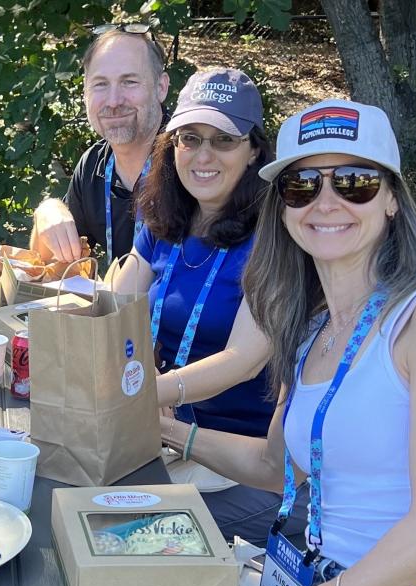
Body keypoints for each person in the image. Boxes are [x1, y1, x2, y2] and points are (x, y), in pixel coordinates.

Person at [165, 100, 416, 586]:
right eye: (302, 184)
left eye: (355, 182)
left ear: (393, 198)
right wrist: (165, 428)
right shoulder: (312, 328)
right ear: (282, 207)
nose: (327, 202)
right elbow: (277, 466)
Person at [108, 67, 307, 548]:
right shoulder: (164, 214)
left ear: (254, 149)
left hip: (239, 462)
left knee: (114, 527)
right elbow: (119, 302)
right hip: (159, 435)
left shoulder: (276, 236)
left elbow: (244, 359)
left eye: (223, 140)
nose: (202, 156)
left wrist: (136, 396)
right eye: (190, 138)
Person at [30, 25, 169, 267]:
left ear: (161, 88)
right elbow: (48, 267)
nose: (114, 101)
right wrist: (47, 212)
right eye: (101, 84)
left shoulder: (192, 159)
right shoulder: (94, 165)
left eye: (129, 82)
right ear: (85, 93)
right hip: (120, 305)